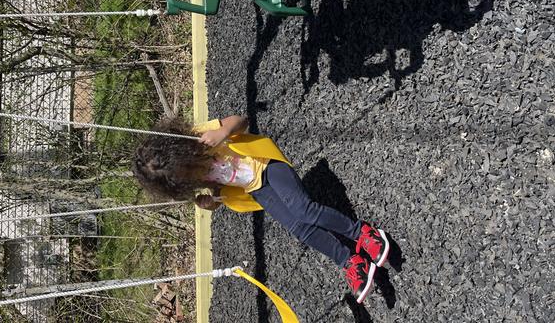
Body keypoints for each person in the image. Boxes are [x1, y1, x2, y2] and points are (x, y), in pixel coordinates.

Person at [131, 115, 391, 303]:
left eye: (188, 166)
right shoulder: (189, 179)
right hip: (255, 188)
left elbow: (241, 120)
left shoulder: (202, 137)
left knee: (304, 211)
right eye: (186, 177)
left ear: (181, 151)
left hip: (265, 164)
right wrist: (212, 202)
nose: (193, 173)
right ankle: (350, 260)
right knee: (299, 229)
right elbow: (220, 190)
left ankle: (362, 233)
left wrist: (223, 132)